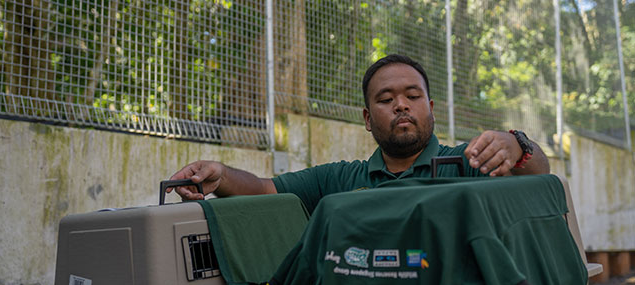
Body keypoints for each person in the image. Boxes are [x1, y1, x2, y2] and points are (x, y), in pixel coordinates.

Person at [168, 54, 549, 213]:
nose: (401, 105)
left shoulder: (469, 162)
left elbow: (540, 176)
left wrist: (516, 145)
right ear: (368, 119)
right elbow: (266, 188)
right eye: (386, 99)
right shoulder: (340, 179)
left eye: (412, 96)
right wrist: (219, 174)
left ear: (430, 110)